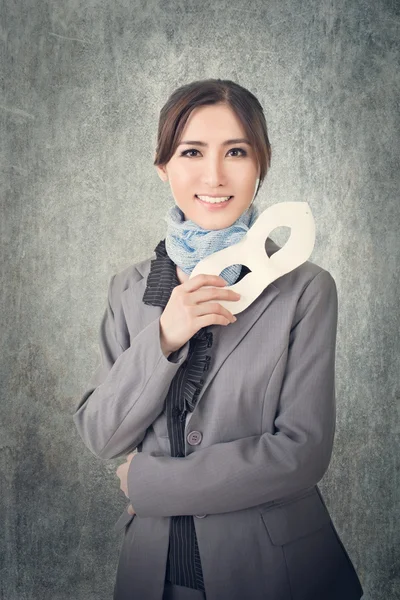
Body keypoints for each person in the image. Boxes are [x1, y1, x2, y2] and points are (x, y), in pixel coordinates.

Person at [73, 78, 364, 600]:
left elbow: (302, 451)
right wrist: (165, 335)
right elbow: (102, 433)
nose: (214, 175)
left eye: (236, 151)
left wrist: (150, 485)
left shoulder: (304, 288)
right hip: (153, 576)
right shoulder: (129, 289)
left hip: (276, 575)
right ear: (164, 167)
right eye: (191, 152)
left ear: (261, 164)